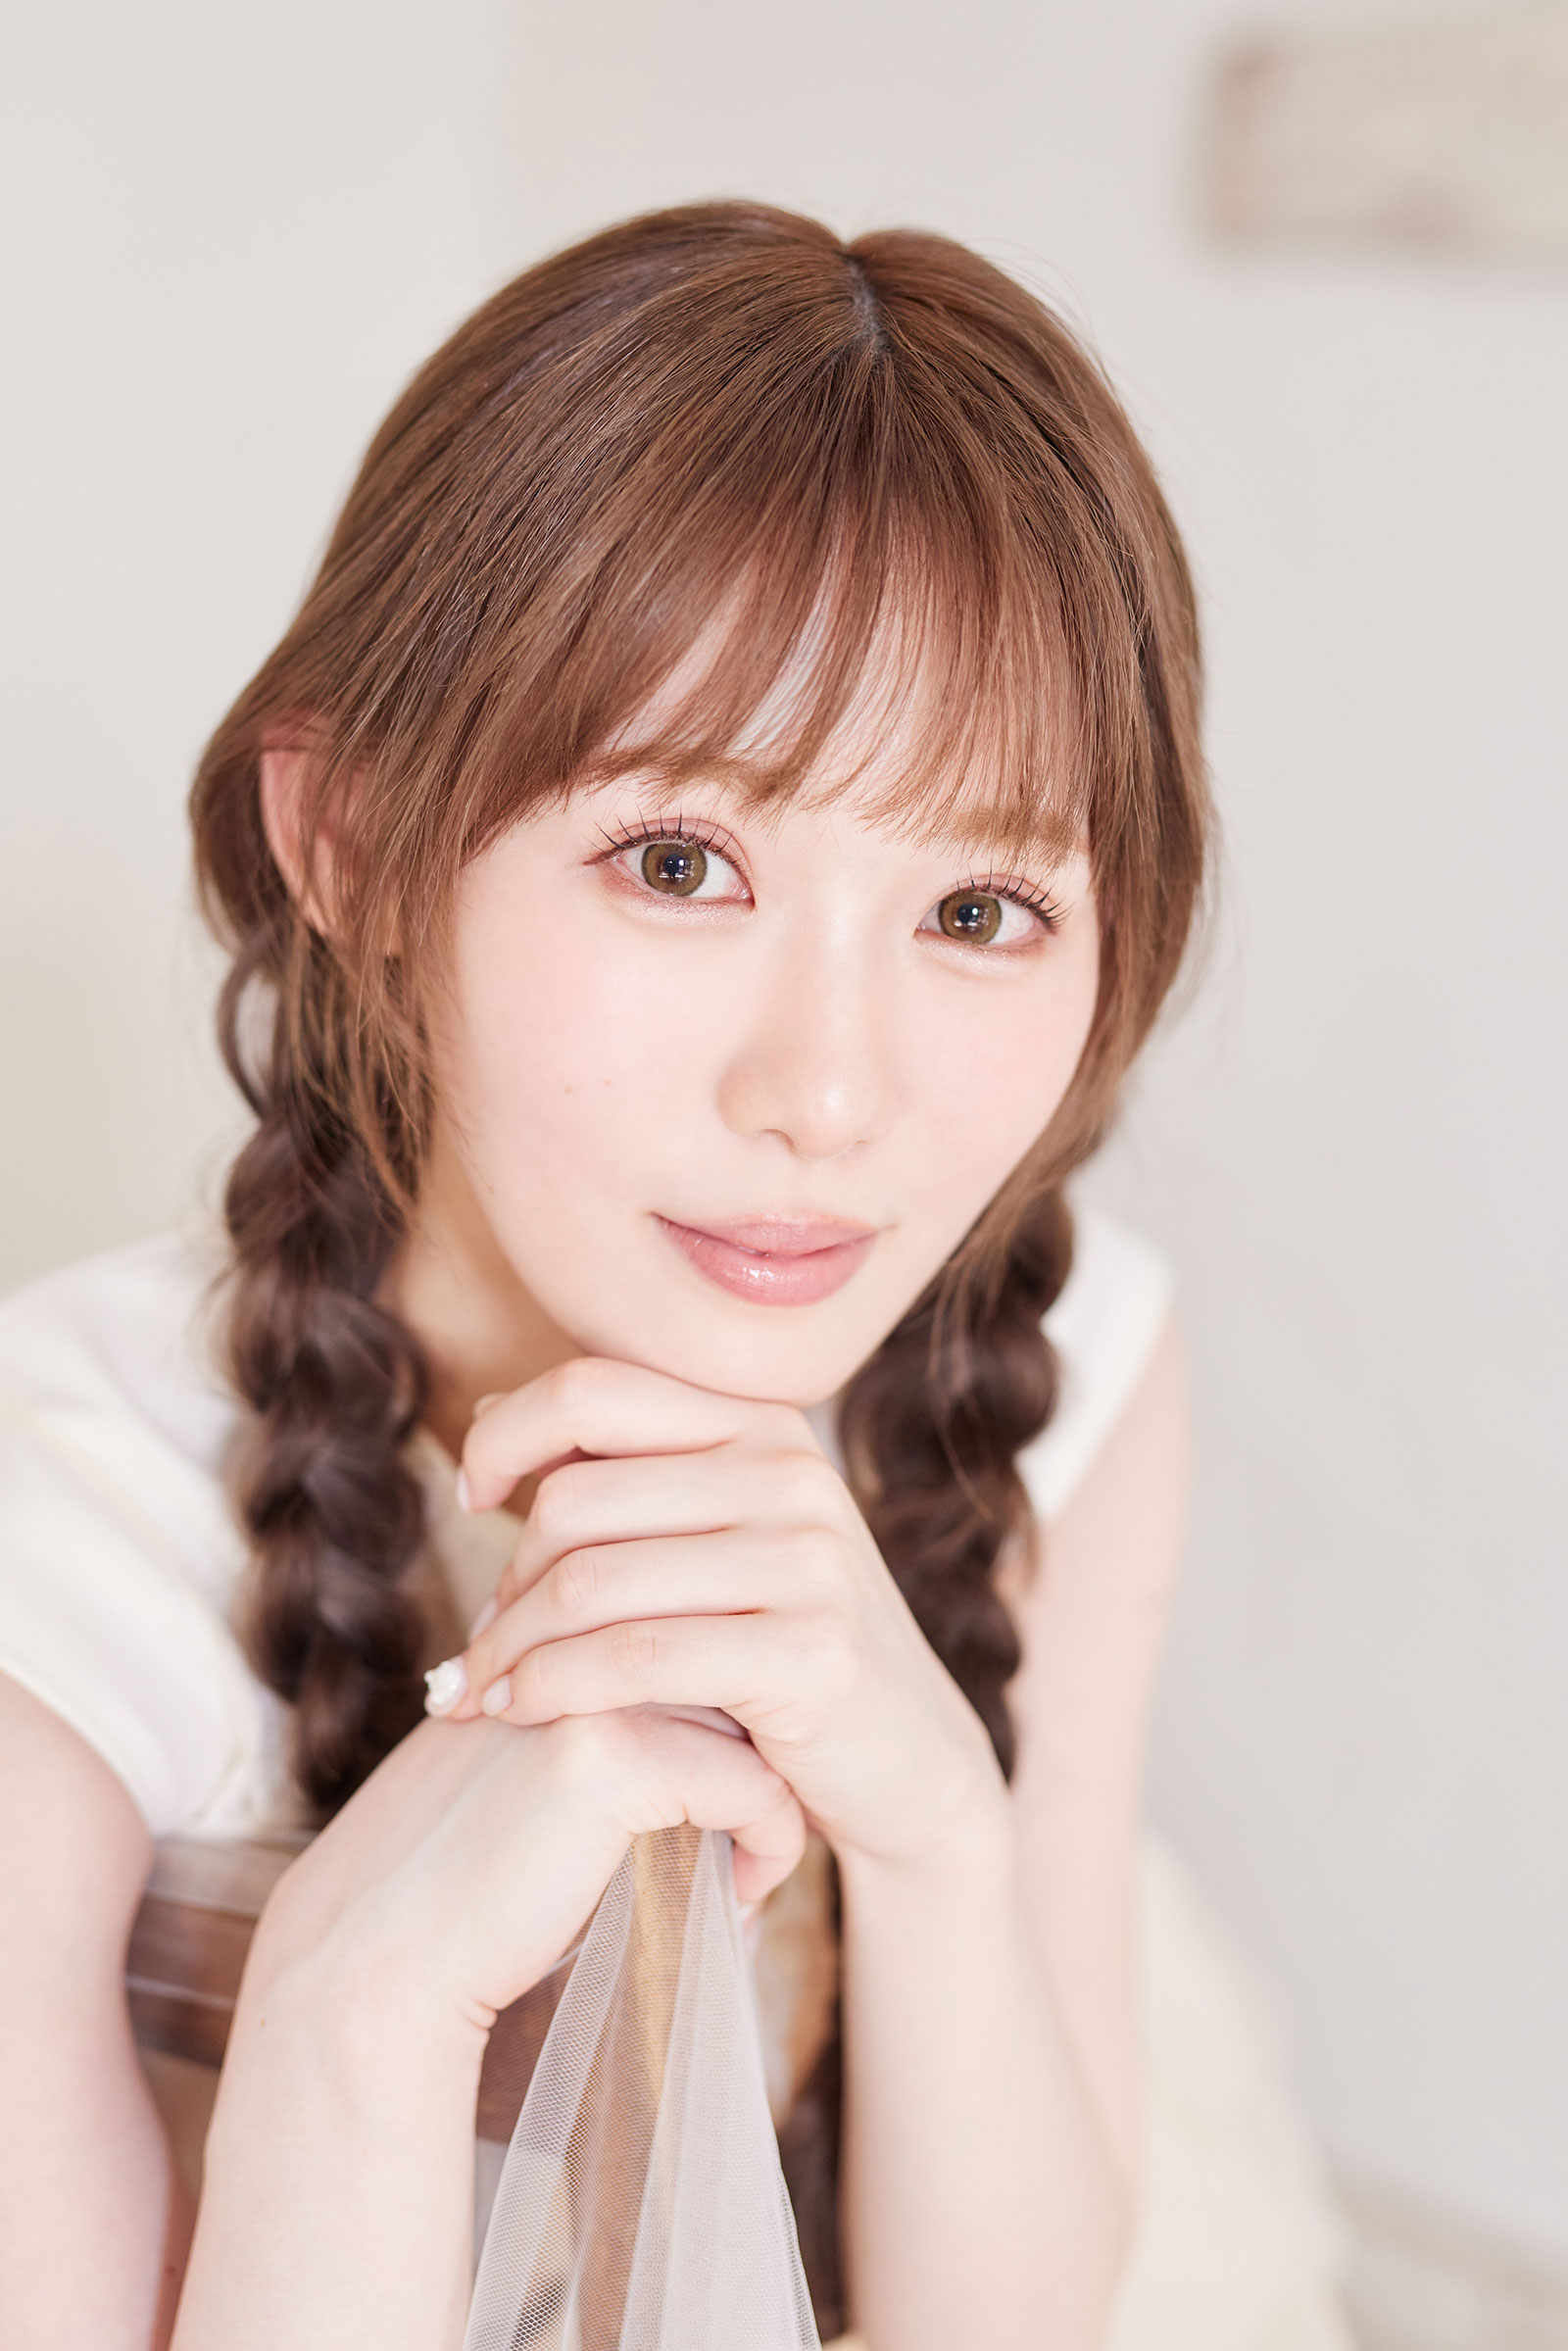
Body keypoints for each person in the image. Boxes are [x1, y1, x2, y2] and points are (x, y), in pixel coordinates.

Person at [0, 201, 1348, 2350]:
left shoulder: (1070, 1370)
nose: (829, 1094)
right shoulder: (53, 1579)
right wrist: (358, 2014)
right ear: (345, 845)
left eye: (979, 912)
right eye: (676, 861)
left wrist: (929, 1819)